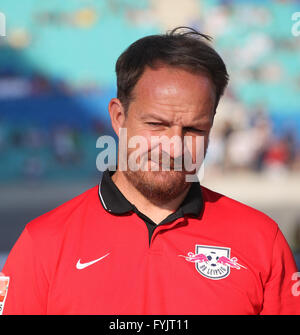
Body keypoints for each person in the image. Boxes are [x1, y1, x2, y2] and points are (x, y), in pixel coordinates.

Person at [1, 27, 299, 315]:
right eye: (156, 125)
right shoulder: (42, 244)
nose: (174, 147)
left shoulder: (262, 241)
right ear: (119, 118)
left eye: (194, 129)